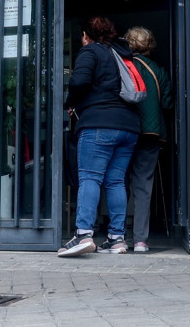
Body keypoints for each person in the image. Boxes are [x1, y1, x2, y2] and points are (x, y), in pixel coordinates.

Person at [58, 17, 140, 257]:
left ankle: (83, 234)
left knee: (90, 178)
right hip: (128, 127)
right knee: (115, 181)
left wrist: (71, 102)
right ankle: (117, 239)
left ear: (85, 35)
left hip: (99, 125)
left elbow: (79, 80)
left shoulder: (90, 51)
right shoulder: (123, 54)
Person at [123, 26, 173, 254]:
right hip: (151, 133)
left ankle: (118, 236)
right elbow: (167, 104)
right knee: (143, 185)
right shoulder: (159, 71)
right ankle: (141, 240)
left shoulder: (124, 66)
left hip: (126, 129)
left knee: (118, 182)